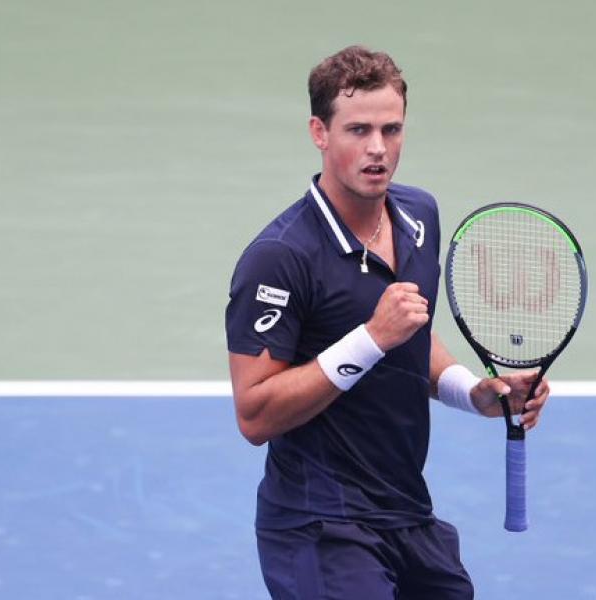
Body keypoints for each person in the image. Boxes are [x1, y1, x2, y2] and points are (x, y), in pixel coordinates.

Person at [224, 45, 549, 600]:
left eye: (391, 129)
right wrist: (371, 338)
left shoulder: (419, 216)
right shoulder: (279, 257)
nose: (378, 148)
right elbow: (254, 416)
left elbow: (412, 335)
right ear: (319, 133)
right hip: (319, 524)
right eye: (358, 130)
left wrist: (474, 393)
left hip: (406, 510)